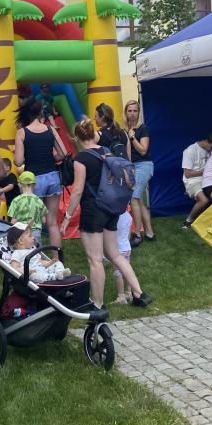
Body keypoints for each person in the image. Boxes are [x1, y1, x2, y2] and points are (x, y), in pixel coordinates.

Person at [60, 119, 153, 310]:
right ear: (93, 134)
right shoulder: (106, 151)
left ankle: (98, 304)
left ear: (77, 138)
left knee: (95, 260)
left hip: (93, 211)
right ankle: (139, 293)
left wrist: (67, 217)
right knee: (115, 254)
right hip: (111, 209)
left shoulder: (81, 159)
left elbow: (77, 190)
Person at [14, 98, 65, 252]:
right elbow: (62, 153)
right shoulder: (50, 129)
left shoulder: (22, 133)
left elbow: (18, 161)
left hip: (34, 180)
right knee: (52, 223)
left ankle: (36, 256)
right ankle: (56, 258)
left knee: (34, 223)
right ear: (39, 112)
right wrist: (50, 157)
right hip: (52, 177)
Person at [124, 99, 154, 246]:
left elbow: (143, 150)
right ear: (125, 112)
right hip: (131, 166)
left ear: (139, 112)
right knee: (140, 201)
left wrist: (132, 137)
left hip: (144, 165)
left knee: (134, 198)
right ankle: (149, 233)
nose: (132, 113)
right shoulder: (125, 130)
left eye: (135, 111)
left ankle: (136, 234)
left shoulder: (143, 129)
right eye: (129, 111)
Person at [4, 222, 69, 281]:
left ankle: (60, 272)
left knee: (58, 263)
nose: (33, 237)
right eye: (30, 236)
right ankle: (55, 276)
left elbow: (40, 262)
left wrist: (50, 262)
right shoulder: (17, 253)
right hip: (33, 274)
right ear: (21, 241)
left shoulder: (32, 250)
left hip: (44, 270)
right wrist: (26, 271)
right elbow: (14, 268)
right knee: (35, 276)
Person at [181, 133, 212, 218]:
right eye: (211, 147)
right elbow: (187, 174)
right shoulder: (190, 151)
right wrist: (205, 172)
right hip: (193, 181)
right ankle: (189, 220)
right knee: (204, 200)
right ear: (206, 142)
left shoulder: (210, 150)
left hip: (207, 179)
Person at [7, 170, 47, 239]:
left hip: (21, 232)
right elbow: (44, 220)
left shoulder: (16, 200)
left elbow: (13, 220)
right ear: (34, 185)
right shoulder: (38, 200)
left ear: (19, 185)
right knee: (35, 246)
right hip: (36, 232)